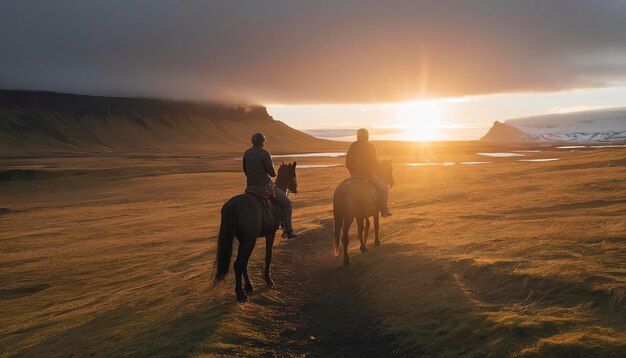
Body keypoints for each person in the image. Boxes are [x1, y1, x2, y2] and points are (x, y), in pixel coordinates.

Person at [243, 132, 299, 238]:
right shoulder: (265, 153)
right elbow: (272, 173)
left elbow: (246, 171)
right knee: (287, 203)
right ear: (262, 142)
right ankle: (289, 231)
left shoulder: (247, 153)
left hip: (250, 187)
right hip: (264, 186)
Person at [345, 128, 392, 217]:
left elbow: (348, 162)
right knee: (384, 189)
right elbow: (375, 163)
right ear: (367, 136)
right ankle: (384, 209)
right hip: (367, 175)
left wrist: (352, 172)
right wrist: (370, 172)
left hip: (354, 175)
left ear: (358, 136)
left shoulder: (353, 145)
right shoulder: (370, 146)